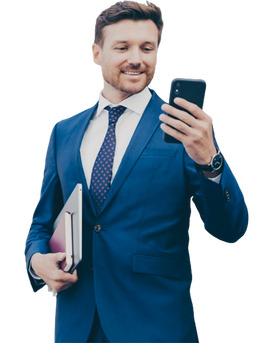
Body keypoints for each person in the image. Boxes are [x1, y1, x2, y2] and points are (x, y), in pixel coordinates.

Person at [22, 1, 250, 342]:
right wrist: (35, 260)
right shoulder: (63, 129)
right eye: (122, 47)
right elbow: (41, 221)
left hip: (155, 325)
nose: (136, 59)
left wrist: (210, 160)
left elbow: (231, 229)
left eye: (147, 48)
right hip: (75, 325)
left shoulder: (185, 127)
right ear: (94, 53)